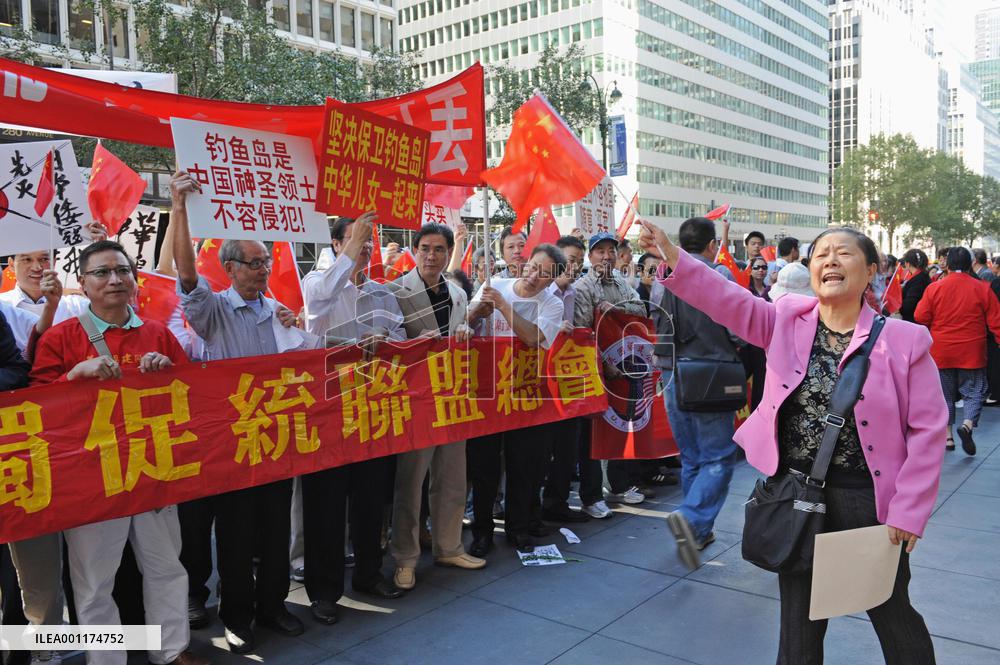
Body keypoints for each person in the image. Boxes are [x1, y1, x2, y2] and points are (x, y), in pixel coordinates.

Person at [639, 220, 946, 665]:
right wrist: (672, 255)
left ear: (871, 270)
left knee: (889, 608)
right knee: (798, 624)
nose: (830, 261)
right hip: (797, 494)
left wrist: (909, 511)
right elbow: (726, 300)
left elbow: (929, 430)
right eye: (821, 254)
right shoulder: (786, 320)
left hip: (868, 500)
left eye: (844, 253)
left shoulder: (905, 340)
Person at [30, 240, 207, 665]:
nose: (114, 280)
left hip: (152, 470)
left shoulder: (158, 334)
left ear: (134, 279)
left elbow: (194, 396)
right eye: (102, 273)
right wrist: (75, 374)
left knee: (166, 567)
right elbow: (34, 410)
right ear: (83, 284)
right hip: (93, 479)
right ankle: (106, 660)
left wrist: (168, 373)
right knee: (93, 582)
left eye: (122, 271)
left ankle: (171, 650)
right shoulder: (61, 338)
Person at [170, 170, 317, 653]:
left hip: (275, 434)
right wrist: (178, 207)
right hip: (232, 442)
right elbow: (186, 273)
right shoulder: (210, 310)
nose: (263, 269)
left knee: (274, 530)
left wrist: (294, 327)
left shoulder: (275, 311)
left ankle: (273, 607)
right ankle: (237, 618)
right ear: (230, 268)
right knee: (234, 536)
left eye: (267, 262)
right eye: (254, 263)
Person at [300, 212, 406, 624]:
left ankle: (368, 573)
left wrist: (385, 341)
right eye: (356, 238)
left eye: (369, 239)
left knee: (370, 499)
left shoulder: (382, 292)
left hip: (373, 408)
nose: (365, 245)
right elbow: (322, 298)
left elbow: (400, 337)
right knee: (325, 505)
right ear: (335, 245)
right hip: (328, 411)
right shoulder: (317, 281)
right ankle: (324, 591)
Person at [385, 223, 485, 592]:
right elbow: (386, 343)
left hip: (452, 398)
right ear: (414, 251)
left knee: (452, 478)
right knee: (410, 485)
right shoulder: (395, 291)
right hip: (414, 403)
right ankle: (405, 558)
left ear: (448, 253)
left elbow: (463, 337)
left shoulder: (457, 293)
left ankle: (449, 545)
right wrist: (412, 346)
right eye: (425, 248)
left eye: (439, 249)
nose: (432, 255)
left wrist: (466, 333)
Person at [647, 217, 742, 561]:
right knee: (718, 456)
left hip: (672, 373)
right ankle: (692, 518)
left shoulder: (661, 277)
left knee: (691, 455)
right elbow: (738, 327)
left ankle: (697, 531)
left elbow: (656, 320)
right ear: (711, 244)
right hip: (711, 373)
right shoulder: (721, 275)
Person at [466, 244, 566, 553]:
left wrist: (504, 308)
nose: (536, 276)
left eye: (545, 274)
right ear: (525, 262)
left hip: (526, 393)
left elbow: (533, 337)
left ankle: (518, 528)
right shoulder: (494, 285)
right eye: (534, 266)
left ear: (553, 281)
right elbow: (463, 325)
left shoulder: (552, 304)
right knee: (484, 467)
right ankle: (482, 531)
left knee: (524, 466)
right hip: (488, 394)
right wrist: (476, 313)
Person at [573, 232, 650, 508]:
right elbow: (583, 334)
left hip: (623, 363)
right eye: (600, 251)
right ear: (590, 256)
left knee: (620, 423)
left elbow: (641, 309)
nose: (606, 256)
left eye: (611, 250)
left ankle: (618, 486)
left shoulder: (620, 281)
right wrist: (604, 365)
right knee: (591, 434)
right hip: (594, 368)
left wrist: (614, 307)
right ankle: (592, 496)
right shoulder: (583, 287)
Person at [914, 247, 1000, 456]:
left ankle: (949, 437)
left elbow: (920, 316)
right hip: (972, 351)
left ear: (948, 264)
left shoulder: (935, 288)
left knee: (945, 396)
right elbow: (996, 321)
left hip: (942, 351)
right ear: (970, 264)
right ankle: (968, 424)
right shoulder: (982, 288)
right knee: (975, 391)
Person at [540, 235, 591, 524]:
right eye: (570, 260)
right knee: (541, 449)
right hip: (539, 381)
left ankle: (557, 503)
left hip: (567, 378)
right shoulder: (540, 290)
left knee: (567, 444)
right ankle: (533, 508)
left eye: (579, 262)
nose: (574, 266)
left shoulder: (573, 292)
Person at [899, 249, 931, 324]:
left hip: (914, 321)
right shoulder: (924, 277)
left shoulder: (918, 280)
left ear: (908, 264)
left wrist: (900, 307)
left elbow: (909, 305)